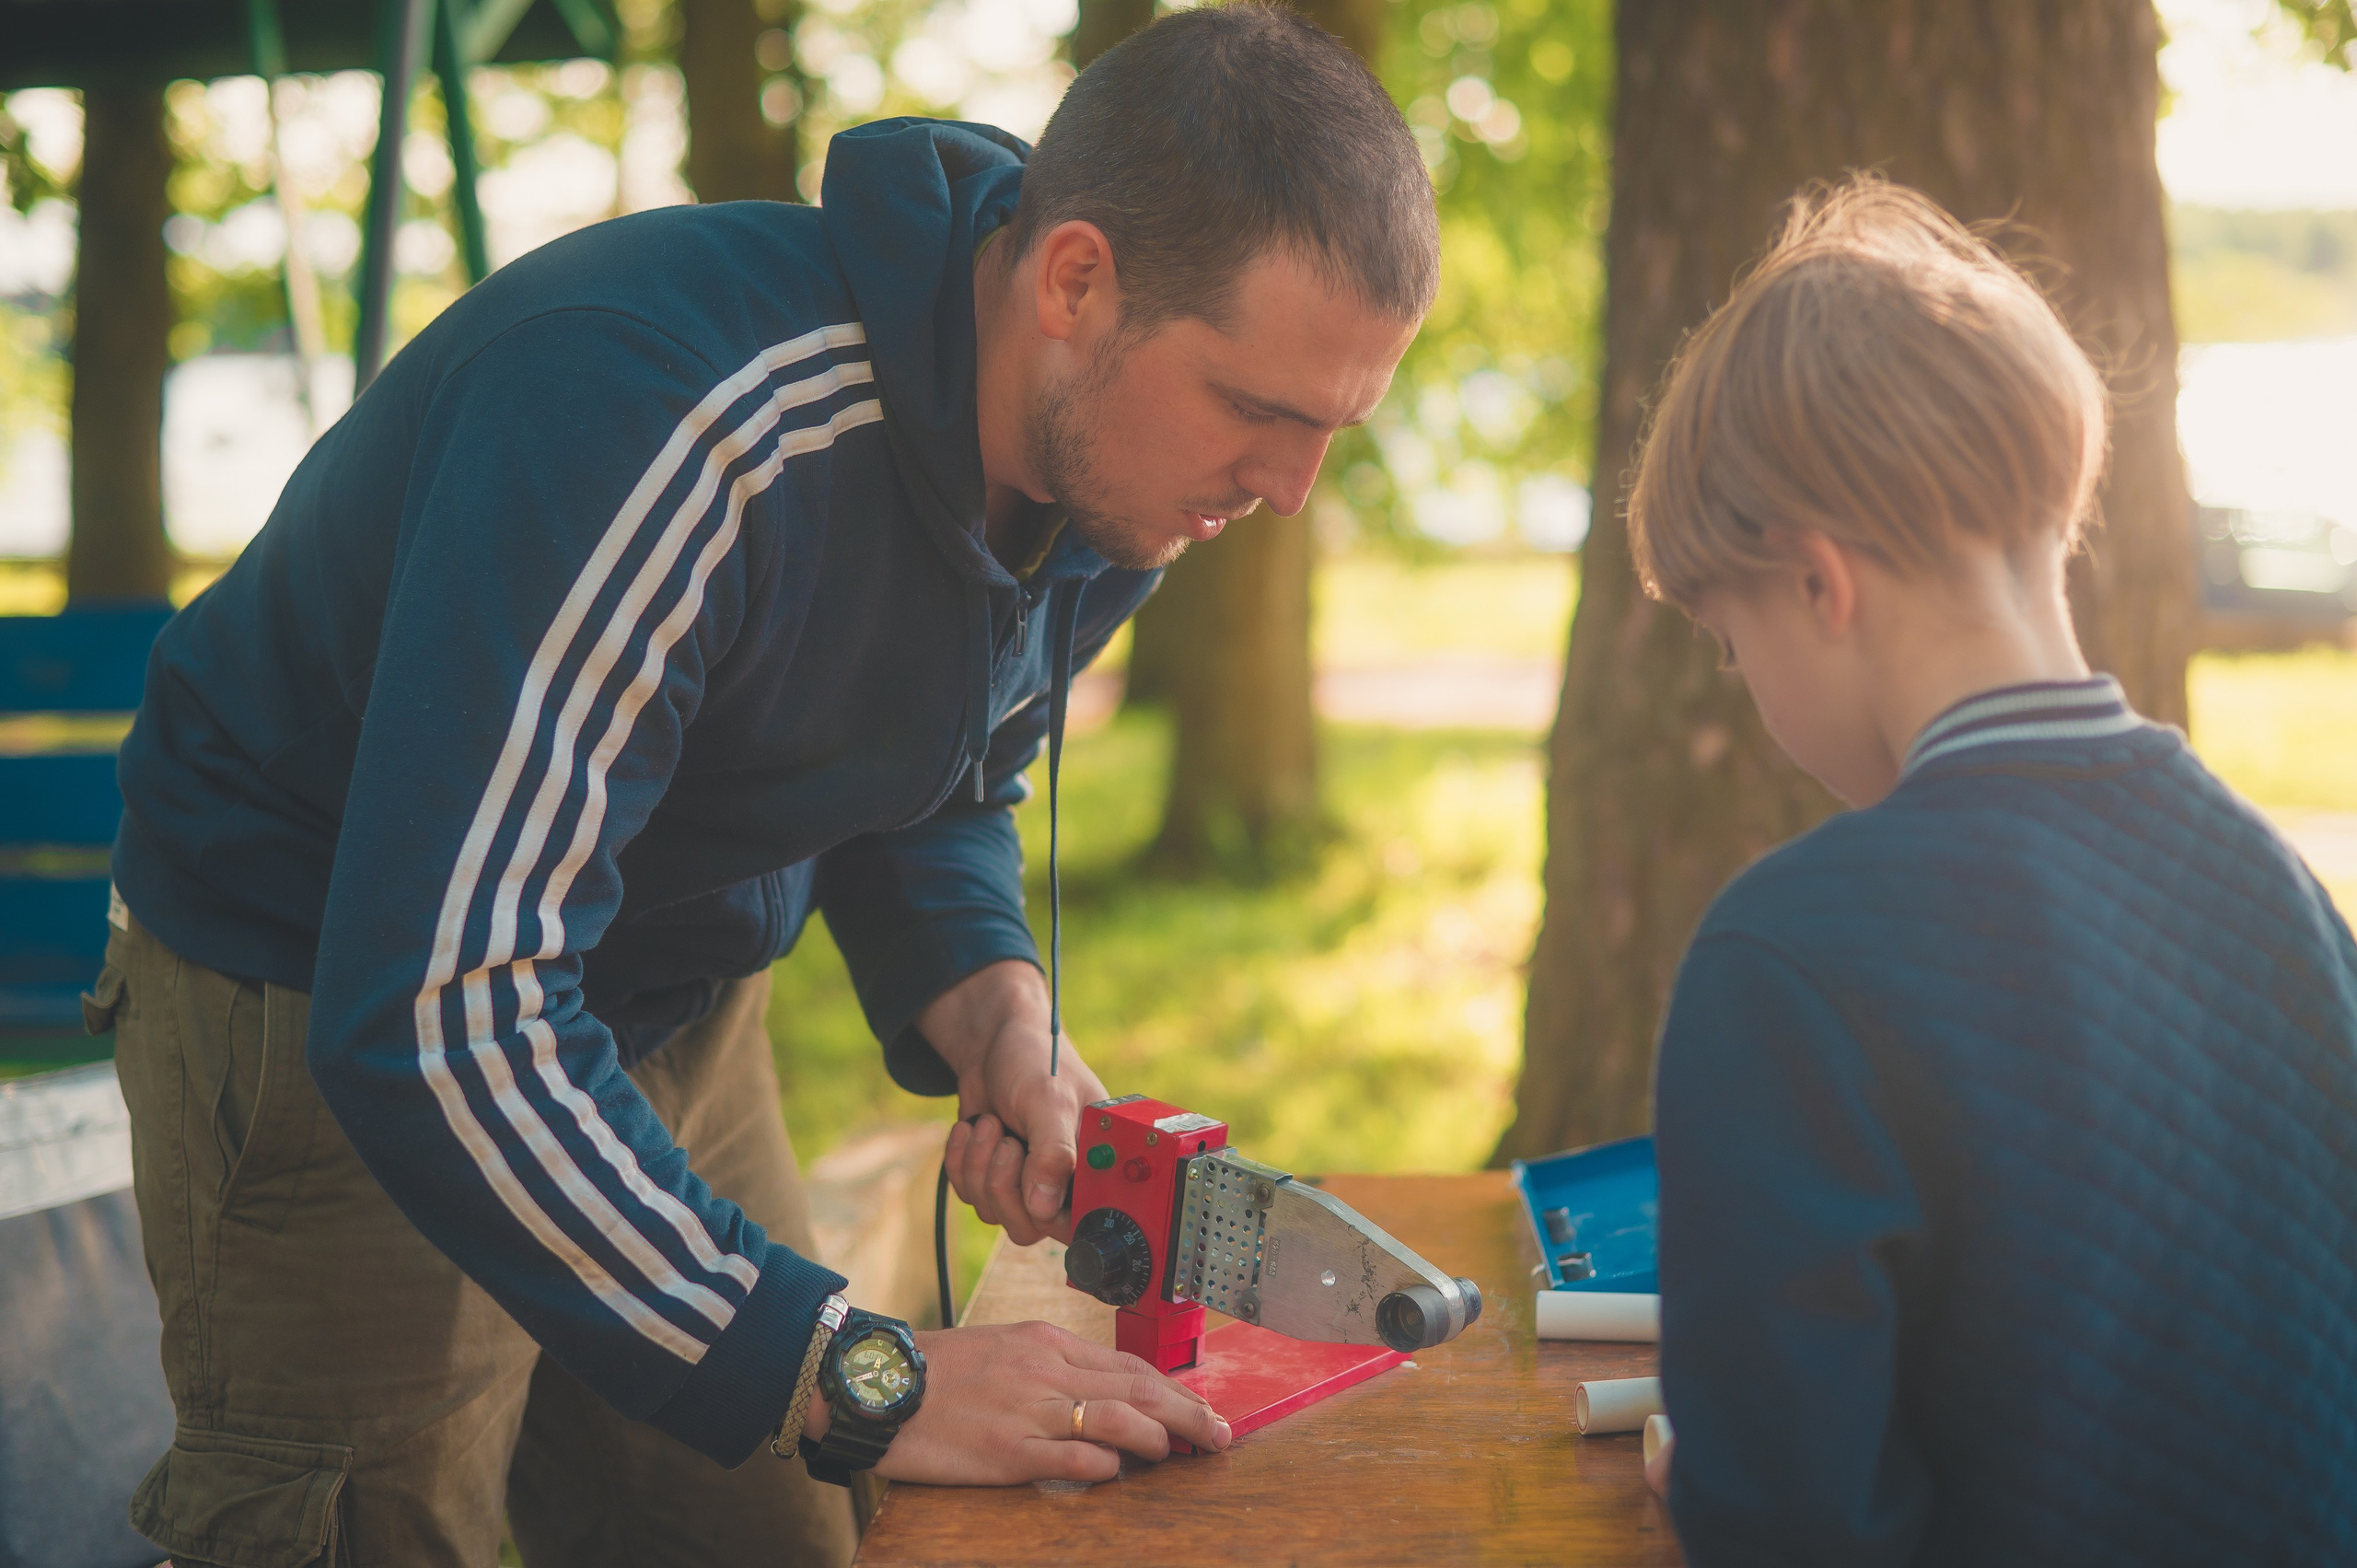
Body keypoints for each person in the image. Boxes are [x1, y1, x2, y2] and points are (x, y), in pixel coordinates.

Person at [91, 7, 1437, 1563]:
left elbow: (935, 768)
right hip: (337, 1001)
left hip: (660, 988)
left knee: (771, 1532)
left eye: (1332, 431)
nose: (1287, 492)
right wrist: (853, 1370)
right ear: (1078, 281)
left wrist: (991, 1003)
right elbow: (443, 1006)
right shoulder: (668, 416)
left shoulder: (1110, 473)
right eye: (1262, 413)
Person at [1625, 177, 2357, 1563]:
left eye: (1734, 647)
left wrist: (1707, 1482)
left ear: (1817, 585)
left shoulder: (1789, 958)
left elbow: (1789, 1515)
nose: (1752, 698)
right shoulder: (2284, 894)